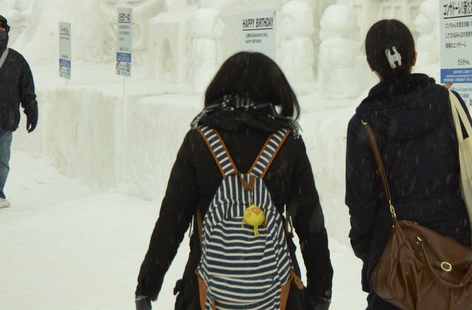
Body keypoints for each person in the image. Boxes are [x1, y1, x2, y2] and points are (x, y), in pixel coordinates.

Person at [135, 51, 333, 310]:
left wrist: (147, 285)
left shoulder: (200, 140)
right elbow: (310, 223)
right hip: (278, 292)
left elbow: (172, 220)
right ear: (275, 89)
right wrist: (321, 290)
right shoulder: (288, 143)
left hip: (205, 292)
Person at [345, 19, 472, 309]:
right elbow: (471, 171)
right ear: (414, 57)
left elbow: (360, 201)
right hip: (452, 250)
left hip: (394, 258)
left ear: (370, 65)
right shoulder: (448, 103)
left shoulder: (363, 125)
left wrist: (367, 249)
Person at [0, 13, 38, 210]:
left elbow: (27, 89)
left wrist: (31, 110)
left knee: (1, 160)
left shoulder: (15, 59)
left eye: (2, 26)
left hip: (5, 119)